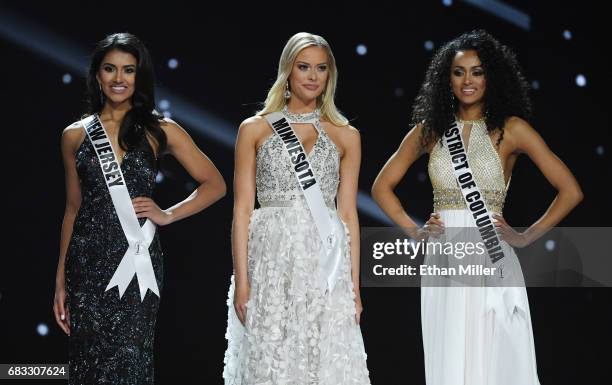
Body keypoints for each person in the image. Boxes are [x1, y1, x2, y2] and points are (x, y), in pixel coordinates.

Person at [371, 29, 583, 385]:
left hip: (490, 251)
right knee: (449, 354)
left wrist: (525, 236)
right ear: (447, 78)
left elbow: (570, 191)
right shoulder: (431, 130)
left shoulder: (511, 130)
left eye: (477, 71)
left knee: (495, 356)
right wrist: (415, 232)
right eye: (458, 72)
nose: (467, 80)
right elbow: (382, 187)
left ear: (491, 76)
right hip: (443, 255)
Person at [53, 32, 226, 384]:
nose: (119, 79)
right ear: (97, 75)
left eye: (128, 70)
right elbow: (72, 209)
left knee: (132, 359)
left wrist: (168, 214)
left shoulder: (160, 129)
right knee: (87, 361)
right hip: (86, 263)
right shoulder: (75, 135)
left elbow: (215, 184)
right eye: (110, 69)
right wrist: (60, 280)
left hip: (136, 259)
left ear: (139, 76)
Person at [223, 32, 370, 384]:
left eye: (321, 68)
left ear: (330, 75)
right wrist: (242, 283)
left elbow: (348, 214)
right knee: (271, 355)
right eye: (303, 67)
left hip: (325, 259)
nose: (312, 76)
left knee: (323, 357)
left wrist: (354, 289)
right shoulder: (255, 129)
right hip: (271, 258)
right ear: (287, 71)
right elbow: (242, 210)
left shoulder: (346, 134)